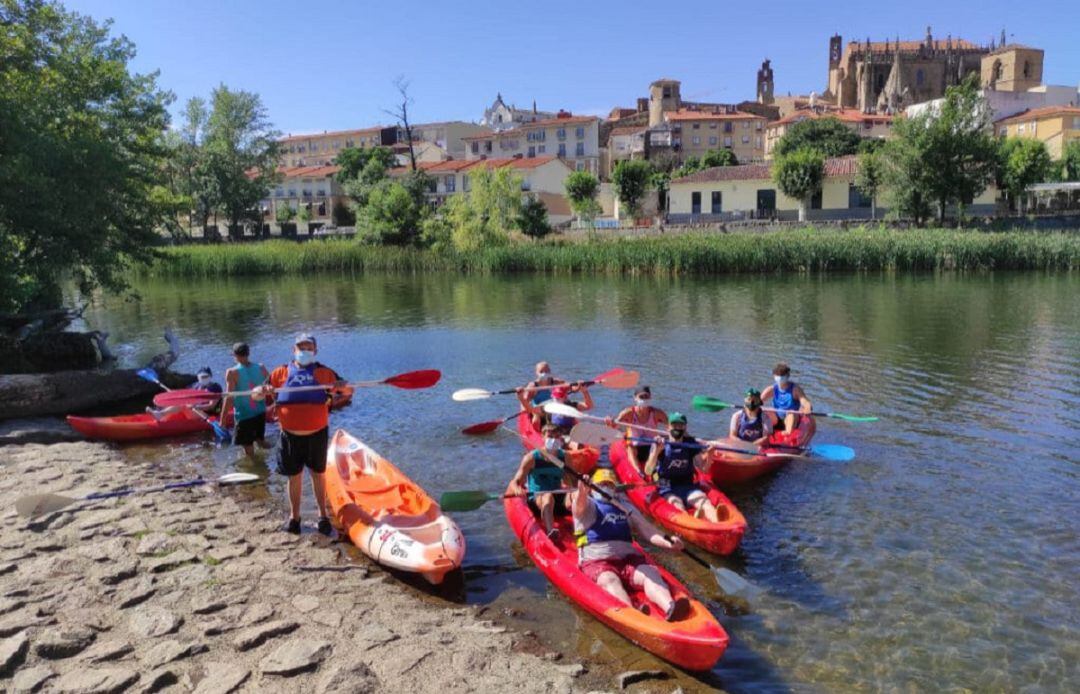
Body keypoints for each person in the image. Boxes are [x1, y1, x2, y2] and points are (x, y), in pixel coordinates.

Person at [254, 334, 345, 535]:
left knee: (318, 476)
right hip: (290, 436)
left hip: (317, 434)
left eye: (308, 347)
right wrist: (262, 390)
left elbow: (346, 390)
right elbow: (255, 394)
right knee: (293, 478)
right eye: (300, 347)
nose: (304, 350)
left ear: (315, 350)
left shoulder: (325, 372)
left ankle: (323, 516)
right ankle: (294, 518)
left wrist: (342, 387)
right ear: (293, 350)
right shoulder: (280, 372)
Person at [571, 468, 689, 621]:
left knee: (650, 573)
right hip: (598, 561)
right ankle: (633, 615)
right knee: (609, 580)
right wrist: (582, 491)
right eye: (602, 484)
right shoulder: (588, 504)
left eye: (610, 485)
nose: (606, 487)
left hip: (628, 560)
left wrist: (669, 542)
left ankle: (670, 606)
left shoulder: (626, 507)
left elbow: (648, 531)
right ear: (594, 487)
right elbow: (579, 506)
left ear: (614, 489)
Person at [644, 413, 723, 522]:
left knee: (705, 502)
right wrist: (657, 451)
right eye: (674, 425)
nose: (677, 428)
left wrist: (710, 455)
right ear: (668, 427)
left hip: (687, 485)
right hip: (667, 486)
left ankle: (717, 525)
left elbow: (704, 469)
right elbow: (648, 471)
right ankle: (694, 523)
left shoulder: (690, 444)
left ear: (685, 427)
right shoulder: (659, 443)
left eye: (680, 425)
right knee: (677, 504)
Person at [506, 423, 570, 540]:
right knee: (548, 496)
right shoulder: (532, 458)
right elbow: (515, 482)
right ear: (543, 437)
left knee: (575, 495)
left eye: (556, 437)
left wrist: (582, 486)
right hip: (538, 498)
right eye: (550, 436)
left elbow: (570, 480)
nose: (553, 440)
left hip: (557, 495)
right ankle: (551, 531)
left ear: (560, 438)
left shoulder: (564, 457)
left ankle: (583, 528)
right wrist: (517, 489)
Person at [221, 343, 271, 458]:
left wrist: (222, 419)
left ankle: (254, 469)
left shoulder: (232, 372)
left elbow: (229, 397)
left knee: (248, 450)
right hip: (260, 412)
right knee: (261, 441)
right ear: (248, 353)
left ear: (235, 355)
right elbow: (271, 386)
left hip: (244, 415)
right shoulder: (261, 367)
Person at [613, 386, 667, 470]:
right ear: (635, 398)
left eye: (646, 396)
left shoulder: (657, 413)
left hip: (652, 447)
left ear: (650, 397)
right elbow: (614, 426)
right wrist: (610, 422)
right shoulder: (628, 413)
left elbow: (671, 427)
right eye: (641, 397)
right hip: (636, 447)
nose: (644, 399)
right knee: (630, 447)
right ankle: (638, 471)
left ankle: (656, 469)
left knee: (661, 448)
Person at [760, 363, 815, 445]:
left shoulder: (795, 389)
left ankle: (787, 437)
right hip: (777, 418)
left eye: (783, 375)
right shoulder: (771, 389)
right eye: (778, 375)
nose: (780, 377)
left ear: (788, 376)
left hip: (790, 419)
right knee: (766, 411)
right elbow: (759, 400)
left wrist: (807, 407)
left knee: (791, 414)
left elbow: (804, 401)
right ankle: (765, 433)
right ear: (774, 376)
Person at [147, 367, 222, 421]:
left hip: (207, 414)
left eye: (206, 376)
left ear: (211, 376)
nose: (204, 378)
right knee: (180, 402)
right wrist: (175, 394)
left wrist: (195, 407)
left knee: (183, 405)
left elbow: (211, 406)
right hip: (196, 411)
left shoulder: (215, 388)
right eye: (202, 377)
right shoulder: (196, 386)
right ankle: (161, 416)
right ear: (198, 378)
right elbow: (186, 396)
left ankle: (160, 414)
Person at [517, 361, 566, 429]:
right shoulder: (533, 386)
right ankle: (537, 433)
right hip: (538, 410)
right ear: (536, 373)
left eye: (547, 371)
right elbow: (525, 400)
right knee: (536, 416)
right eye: (541, 371)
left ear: (550, 371)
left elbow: (571, 386)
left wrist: (578, 386)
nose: (544, 373)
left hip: (552, 409)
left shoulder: (555, 382)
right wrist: (523, 409)